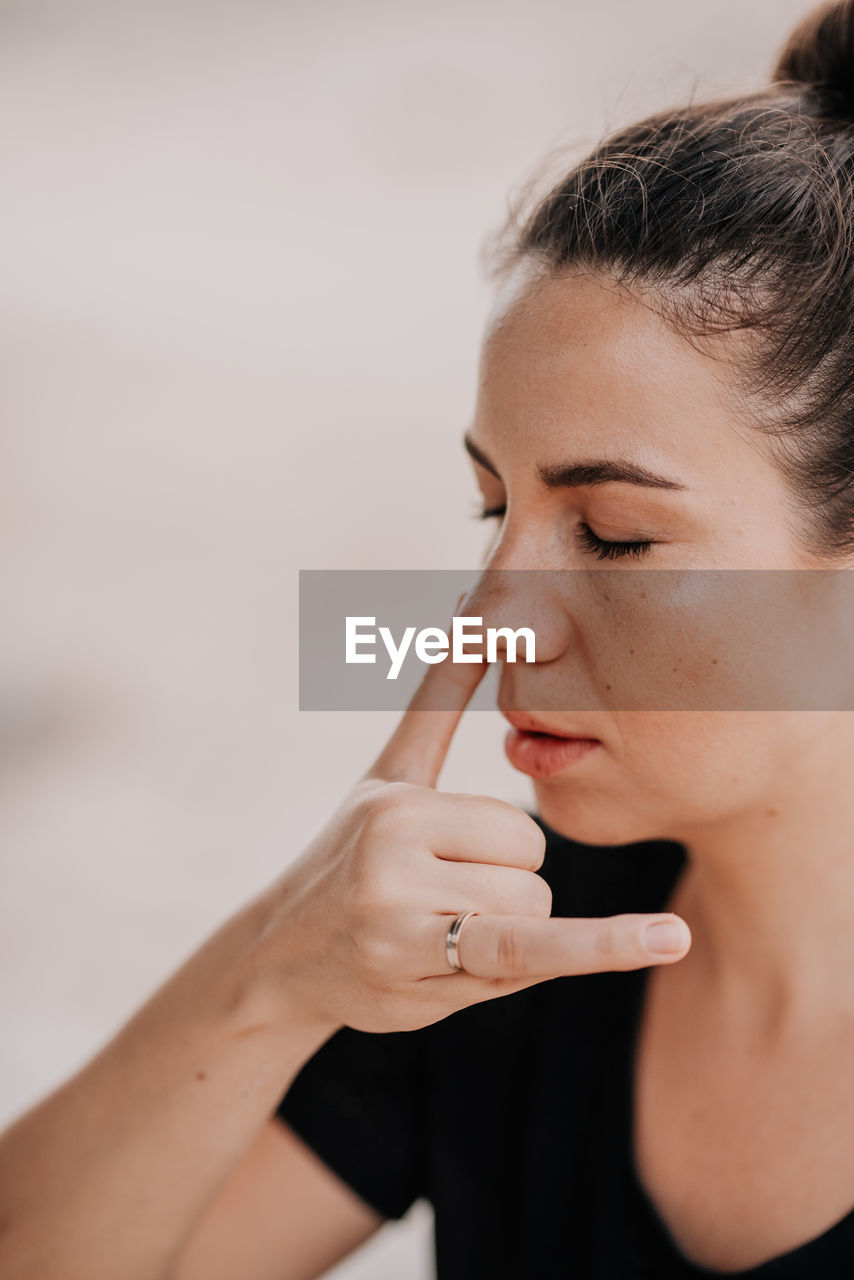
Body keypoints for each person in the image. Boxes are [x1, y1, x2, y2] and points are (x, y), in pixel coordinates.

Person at [5, 1, 854, 1276]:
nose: (486, 616)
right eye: (492, 506)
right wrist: (271, 976)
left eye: (613, 536)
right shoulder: (497, 949)